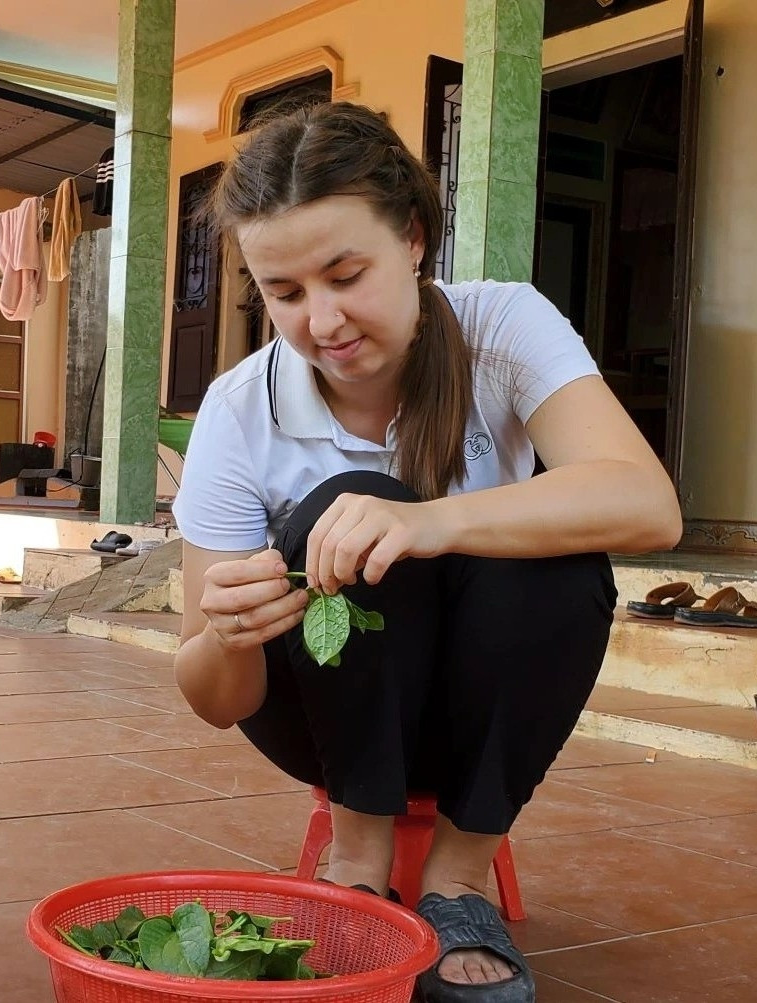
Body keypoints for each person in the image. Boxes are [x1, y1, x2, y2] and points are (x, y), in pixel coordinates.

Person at [171, 102, 681, 1003]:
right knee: (339, 507)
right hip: (325, 727)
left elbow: (645, 505)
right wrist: (226, 632)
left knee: (555, 546)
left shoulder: (503, 327)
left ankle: (458, 879)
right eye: (284, 293)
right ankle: (355, 861)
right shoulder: (237, 408)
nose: (321, 321)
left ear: (411, 237)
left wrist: (429, 522)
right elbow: (218, 701)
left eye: (344, 274)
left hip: (483, 717)